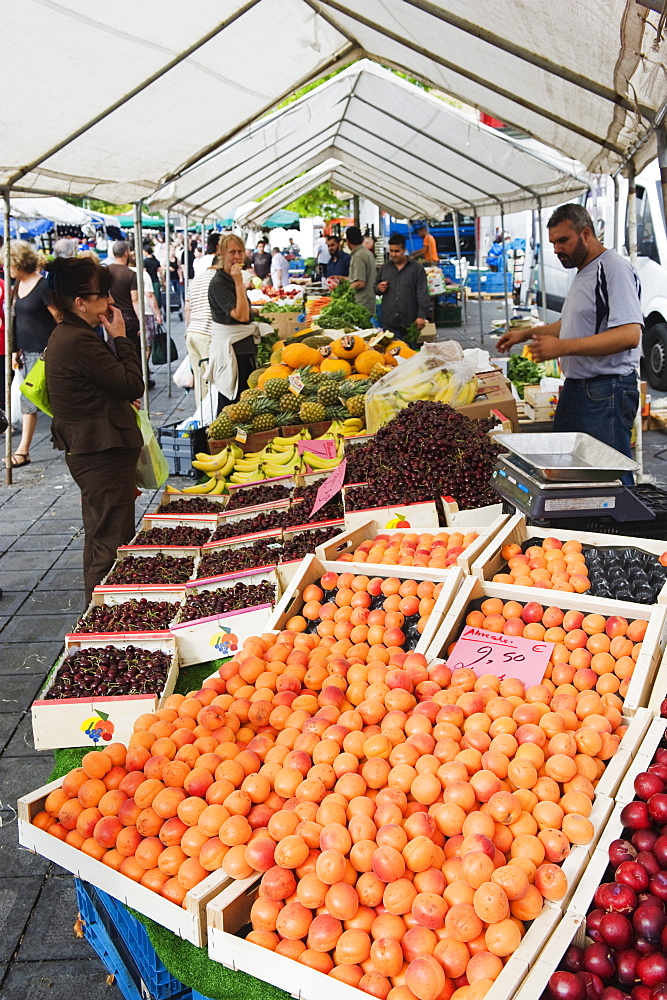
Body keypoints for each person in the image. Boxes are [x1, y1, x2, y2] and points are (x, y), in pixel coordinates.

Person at [497, 204, 642, 480]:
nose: (556, 249)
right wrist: (527, 333)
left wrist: (561, 348)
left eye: (563, 240)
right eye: (553, 243)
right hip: (579, 389)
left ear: (586, 233)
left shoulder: (613, 268)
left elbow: (629, 334)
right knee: (571, 474)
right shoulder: (584, 271)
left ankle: (622, 524)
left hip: (605, 392)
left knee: (610, 477)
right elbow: (571, 325)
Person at [43, 256, 144, 602]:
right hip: (100, 454)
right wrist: (120, 337)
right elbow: (132, 383)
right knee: (109, 543)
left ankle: (101, 615)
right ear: (79, 302)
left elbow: (103, 384)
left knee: (105, 535)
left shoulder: (72, 334)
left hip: (97, 450)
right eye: (102, 294)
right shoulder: (78, 340)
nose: (110, 301)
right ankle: (100, 624)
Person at [7, 241, 58, 467]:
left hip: (45, 352)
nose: (6, 268)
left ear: (19, 262)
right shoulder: (17, 285)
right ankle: (24, 449)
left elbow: (59, 317)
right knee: (29, 398)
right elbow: (17, 320)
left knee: (46, 398)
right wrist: (15, 349)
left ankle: (24, 449)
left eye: (9, 264)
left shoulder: (44, 286)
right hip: (27, 351)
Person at [207, 233, 259, 411]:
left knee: (245, 404)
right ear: (221, 253)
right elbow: (242, 316)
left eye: (240, 251)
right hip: (232, 352)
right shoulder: (219, 283)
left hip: (243, 349)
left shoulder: (231, 279)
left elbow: (246, 312)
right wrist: (239, 282)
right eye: (232, 252)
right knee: (232, 405)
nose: (237, 256)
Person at [376, 233, 430, 336]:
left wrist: (421, 316)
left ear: (404, 250)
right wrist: (379, 288)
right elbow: (375, 287)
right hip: (389, 321)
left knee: (410, 350)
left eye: (397, 251)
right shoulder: (385, 268)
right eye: (391, 251)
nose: (393, 254)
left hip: (410, 321)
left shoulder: (416, 269)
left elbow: (422, 293)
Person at [185, 255, 217, 413]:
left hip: (192, 333)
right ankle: (210, 416)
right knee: (212, 380)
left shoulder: (196, 280)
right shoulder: (218, 280)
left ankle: (201, 416)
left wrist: (190, 328)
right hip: (207, 334)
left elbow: (187, 309)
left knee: (199, 379)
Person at [106, 241, 141, 356]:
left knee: (114, 349)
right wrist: (141, 320)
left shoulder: (106, 271)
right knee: (131, 350)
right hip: (129, 317)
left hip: (111, 315)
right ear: (126, 253)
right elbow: (135, 299)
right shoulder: (131, 274)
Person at [346, 226, 377, 317]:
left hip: (361, 304)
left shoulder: (358, 256)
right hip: (369, 301)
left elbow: (360, 283)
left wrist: (345, 293)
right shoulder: (367, 253)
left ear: (348, 241)